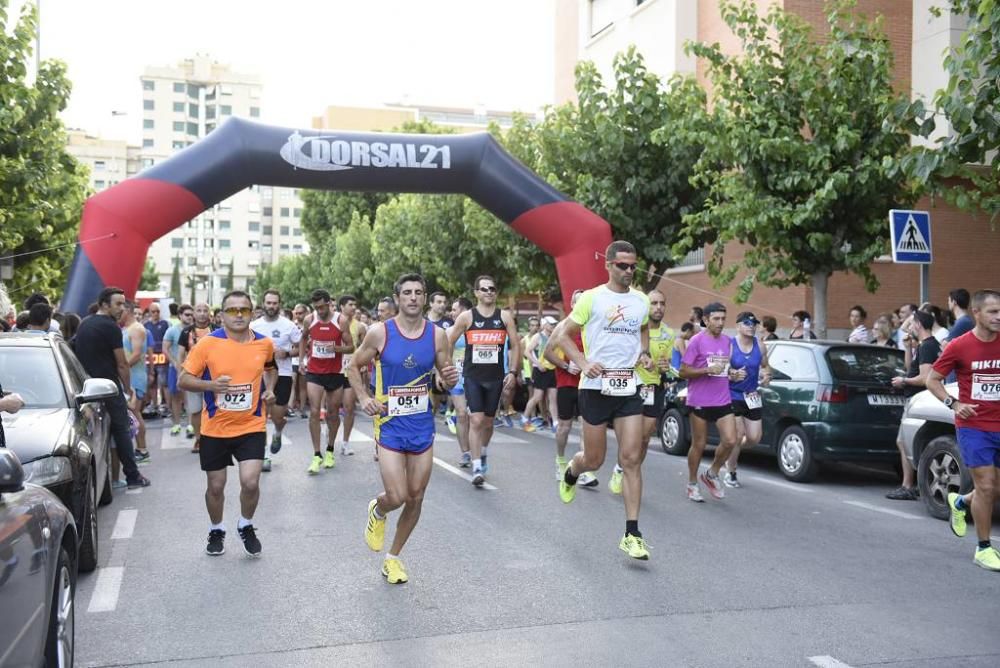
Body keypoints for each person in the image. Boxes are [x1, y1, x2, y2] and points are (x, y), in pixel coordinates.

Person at [348, 273, 459, 584]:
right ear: (397, 298)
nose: (413, 297)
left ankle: (393, 558)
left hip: (422, 424)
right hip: (390, 424)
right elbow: (353, 366)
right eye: (407, 292)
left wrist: (448, 380)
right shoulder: (380, 332)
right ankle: (379, 509)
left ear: (425, 298)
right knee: (396, 495)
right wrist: (364, 397)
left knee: (416, 496)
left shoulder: (438, 336)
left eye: (418, 292)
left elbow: (443, 377)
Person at [552, 242, 654, 561]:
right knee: (594, 460)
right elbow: (561, 336)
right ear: (608, 265)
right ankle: (573, 470)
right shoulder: (592, 298)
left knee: (631, 458)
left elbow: (644, 329)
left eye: (632, 266)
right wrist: (582, 363)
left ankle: (632, 534)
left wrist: (645, 353)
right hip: (594, 387)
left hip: (627, 387)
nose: (628, 271)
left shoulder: (640, 301)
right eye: (622, 265)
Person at [179, 290, 277, 557]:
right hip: (215, 428)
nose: (238, 315)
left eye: (243, 310)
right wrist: (210, 385)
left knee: (251, 483)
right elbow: (183, 380)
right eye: (232, 310)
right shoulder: (207, 344)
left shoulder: (265, 344)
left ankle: (245, 524)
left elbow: (271, 368)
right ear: (221, 315)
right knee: (216, 486)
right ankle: (216, 528)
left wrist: (270, 389)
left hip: (252, 425)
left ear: (252, 313)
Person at [925, 290, 1000, 571]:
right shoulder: (959, 346)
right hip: (975, 426)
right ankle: (983, 548)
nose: (999, 317)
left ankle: (959, 501)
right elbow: (933, 380)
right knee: (986, 486)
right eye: (993, 312)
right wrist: (954, 404)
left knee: (994, 489)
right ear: (976, 314)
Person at [72, 287, 150, 489]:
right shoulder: (111, 327)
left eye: (123, 304)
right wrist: (127, 389)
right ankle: (132, 476)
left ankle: (107, 478)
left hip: (87, 388)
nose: (122, 308)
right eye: (118, 303)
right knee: (122, 430)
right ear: (104, 305)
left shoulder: (85, 324)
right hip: (108, 388)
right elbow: (122, 364)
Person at [447, 275, 521, 487]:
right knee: (476, 420)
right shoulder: (467, 317)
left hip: (496, 377)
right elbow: (449, 342)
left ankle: (483, 451)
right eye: (484, 289)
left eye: (492, 288)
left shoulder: (504, 317)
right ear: (477, 293)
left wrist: (513, 372)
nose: (489, 292)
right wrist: (448, 368)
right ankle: (477, 464)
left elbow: (516, 345)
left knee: (488, 422)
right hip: (473, 377)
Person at [679, 302, 739, 502]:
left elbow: (724, 368)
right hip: (700, 400)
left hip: (722, 398)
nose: (720, 323)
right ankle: (692, 483)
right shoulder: (696, 341)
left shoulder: (727, 341)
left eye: (723, 318)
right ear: (706, 320)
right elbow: (683, 371)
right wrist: (705, 370)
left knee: (731, 440)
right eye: (716, 319)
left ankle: (712, 474)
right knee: (699, 444)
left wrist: (733, 373)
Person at [543, 290, 597, 488]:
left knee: (586, 428)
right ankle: (560, 460)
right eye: (578, 301)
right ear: (573, 305)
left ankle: (584, 470)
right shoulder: (564, 326)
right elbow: (547, 353)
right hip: (566, 384)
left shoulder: (593, 326)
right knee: (564, 427)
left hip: (588, 385)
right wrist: (567, 365)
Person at [887, 310, 941, 500]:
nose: (909, 328)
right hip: (919, 399)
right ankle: (913, 484)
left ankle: (908, 485)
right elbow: (911, 368)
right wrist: (909, 348)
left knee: (903, 442)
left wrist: (904, 381)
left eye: (911, 324)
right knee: (904, 442)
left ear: (918, 324)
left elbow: (926, 377)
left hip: (918, 399)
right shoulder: (927, 345)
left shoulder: (927, 347)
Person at [300, 289, 354, 474]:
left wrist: (336, 348)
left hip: (335, 372)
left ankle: (330, 449)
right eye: (316, 307)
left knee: (332, 413)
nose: (320, 311)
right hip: (315, 371)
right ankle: (316, 454)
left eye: (323, 307)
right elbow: (303, 338)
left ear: (329, 304)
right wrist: (301, 360)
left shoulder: (341, 320)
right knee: (314, 412)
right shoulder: (309, 319)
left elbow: (351, 346)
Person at [250, 290, 302, 472]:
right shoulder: (254, 325)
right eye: (268, 303)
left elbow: (300, 347)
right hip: (259, 375)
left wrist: (286, 353)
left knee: (278, 416)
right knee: (261, 417)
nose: (271, 306)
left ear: (279, 304)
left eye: (274, 303)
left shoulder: (289, 326)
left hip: (284, 375)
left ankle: (278, 432)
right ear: (263, 304)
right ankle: (265, 455)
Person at [723, 312, 771, 488]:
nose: (751, 326)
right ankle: (731, 471)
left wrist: (767, 375)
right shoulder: (730, 344)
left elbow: (766, 365)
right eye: (746, 322)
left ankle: (730, 450)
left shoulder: (760, 345)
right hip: (732, 394)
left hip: (752, 396)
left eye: (754, 323)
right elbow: (722, 369)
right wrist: (731, 374)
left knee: (754, 438)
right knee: (738, 435)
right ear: (737, 326)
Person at [179, 303, 215, 453]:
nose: (202, 314)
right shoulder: (186, 332)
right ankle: (199, 439)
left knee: (213, 409)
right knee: (195, 410)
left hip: (213, 377)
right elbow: (181, 354)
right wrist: (181, 376)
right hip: (193, 377)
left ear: (209, 313)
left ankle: (213, 438)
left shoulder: (216, 330)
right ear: (194, 313)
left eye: (205, 311)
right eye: (198, 311)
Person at [337, 294, 367, 455]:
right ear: (341, 306)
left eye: (355, 305)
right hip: (334, 370)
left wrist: (361, 364)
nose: (353, 307)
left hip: (350, 371)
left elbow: (364, 348)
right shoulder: (333, 323)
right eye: (350, 304)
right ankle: (331, 431)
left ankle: (346, 442)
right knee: (333, 409)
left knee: (349, 408)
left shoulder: (360, 327)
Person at [121, 303, 150, 463]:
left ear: (128, 311)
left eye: (121, 308)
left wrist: (121, 368)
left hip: (136, 377)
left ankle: (143, 450)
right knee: (132, 414)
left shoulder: (137, 329)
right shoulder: (126, 329)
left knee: (135, 414)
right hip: (128, 376)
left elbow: (137, 353)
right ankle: (140, 449)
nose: (118, 312)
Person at [447, 297, 474, 467]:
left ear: (464, 311)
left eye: (454, 309)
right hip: (457, 378)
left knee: (475, 416)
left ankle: (476, 449)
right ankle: (465, 452)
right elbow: (444, 354)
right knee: (462, 413)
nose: (451, 312)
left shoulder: (476, 330)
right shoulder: (450, 331)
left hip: (475, 377)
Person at [521, 316, 559, 433]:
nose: (553, 326)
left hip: (552, 370)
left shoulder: (555, 336)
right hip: (540, 370)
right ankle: (525, 419)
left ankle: (555, 423)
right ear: (545, 325)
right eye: (551, 324)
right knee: (537, 397)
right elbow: (527, 352)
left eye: (554, 324)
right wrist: (537, 363)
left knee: (553, 398)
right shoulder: (538, 336)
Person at [163, 304, 193, 436]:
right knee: (175, 397)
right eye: (187, 314)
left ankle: (191, 425)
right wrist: (175, 362)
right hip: (174, 369)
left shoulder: (195, 330)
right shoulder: (172, 330)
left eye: (191, 315)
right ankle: (176, 424)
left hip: (192, 369)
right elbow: (165, 348)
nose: (190, 317)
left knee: (191, 398)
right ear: (180, 315)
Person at [144, 303, 170, 415]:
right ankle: (154, 405)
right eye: (153, 311)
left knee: (164, 382)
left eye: (158, 311)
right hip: (150, 357)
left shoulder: (165, 324)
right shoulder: (146, 325)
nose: (155, 314)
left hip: (162, 357)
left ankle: (167, 406)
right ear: (149, 312)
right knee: (152, 383)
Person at [290, 303, 311, 418]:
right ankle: (290, 407)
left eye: (300, 313)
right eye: (296, 313)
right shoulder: (292, 325)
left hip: (306, 360)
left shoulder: (310, 326)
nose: (298, 315)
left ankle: (302, 408)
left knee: (303, 385)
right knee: (292, 383)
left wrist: (305, 344)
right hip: (293, 359)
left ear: (306, 313)